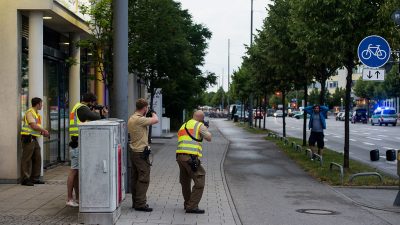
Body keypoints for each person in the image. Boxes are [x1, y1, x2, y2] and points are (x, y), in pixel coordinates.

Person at [66, 93, 107, 207]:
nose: (93, 105)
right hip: (77, 145)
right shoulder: (82, 109)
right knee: (74, 171)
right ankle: (69, 199)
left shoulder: (78, 107)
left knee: (77, 172)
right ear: (90, 102)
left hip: (78, 144)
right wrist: (102, 114)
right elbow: (96, 118)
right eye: (93, 103)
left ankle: (78, 198)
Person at [176, 110, 212, 214]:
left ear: (193, 116)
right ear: (202, 118)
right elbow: (209, 138)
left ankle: (187, 203)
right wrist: (205, 128)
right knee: (200, 179)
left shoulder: (184, 125)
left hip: (179, 157)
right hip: (190, 158)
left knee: (185, 181)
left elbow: (180, 137)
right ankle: (192, 206)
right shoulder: (200, 125)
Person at [128, 98, 159, 212]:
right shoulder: (139, 119)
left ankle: (135, 202)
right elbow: (156, 120)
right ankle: (140, 204)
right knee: (143, 178)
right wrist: (153, 113)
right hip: (141, 153)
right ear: (145, 108)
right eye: (147, 108)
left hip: (134, 152)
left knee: (135, 178)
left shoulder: (132, 117)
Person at [20, 97, 50, 186]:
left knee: (37, 157)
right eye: (41, 103)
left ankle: (35, 178)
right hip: (28, 137)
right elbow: (33, 126)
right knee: (27, 158)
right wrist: (44, 130)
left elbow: (36, 128)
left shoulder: (36, 114)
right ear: (37, 104)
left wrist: (42, 132)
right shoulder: (30, 112)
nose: (42, 105)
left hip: (34, 138)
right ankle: (25, 179)